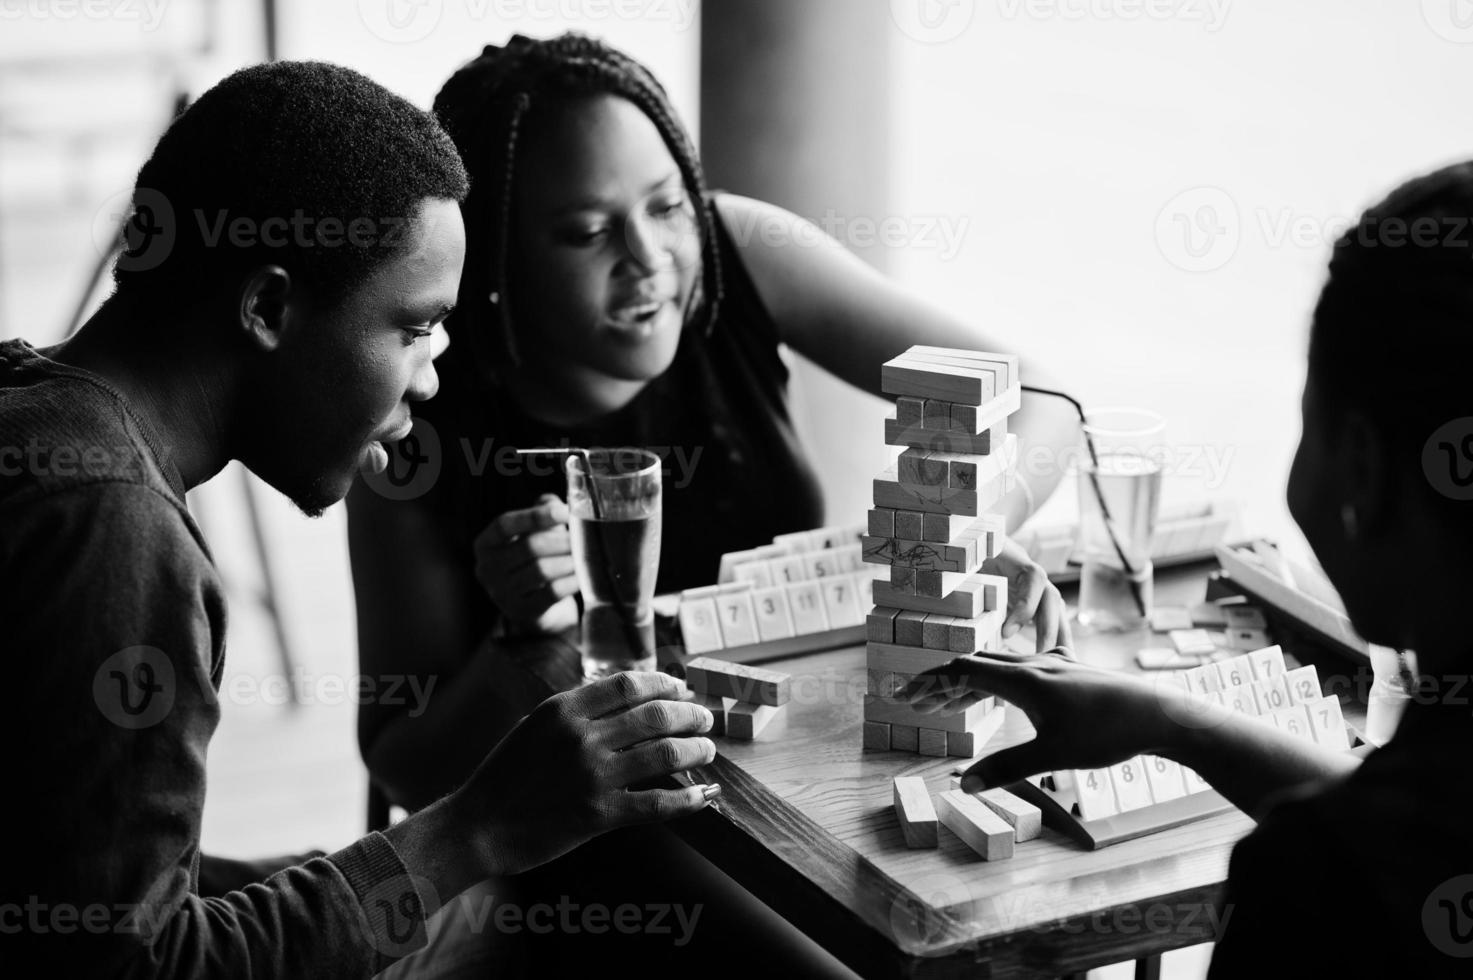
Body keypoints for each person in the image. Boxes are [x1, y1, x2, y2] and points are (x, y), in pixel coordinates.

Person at [1, 60, 722, 978]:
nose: (429, 378)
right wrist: (476, 828)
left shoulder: (33, 412)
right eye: (413, 328)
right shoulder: (112, 528)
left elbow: (72, 888)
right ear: (266, 306)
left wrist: (353, 878)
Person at [349, 29, 1078, 818]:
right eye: (589, 233)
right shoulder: (414, 416)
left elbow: (1040, 395)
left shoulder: (735, 253)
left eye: (667, 206)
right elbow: (407, 774)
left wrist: (972, 527)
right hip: (586, 845)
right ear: (490, 253)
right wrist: (522, 641)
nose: (650, 257)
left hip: (797, 776)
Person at [903, 161, 1473, 977]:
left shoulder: (1318, 885)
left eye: (1303, 425)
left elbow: (1378, 829)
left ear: (1360, 471)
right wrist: (1164, 720)